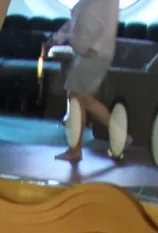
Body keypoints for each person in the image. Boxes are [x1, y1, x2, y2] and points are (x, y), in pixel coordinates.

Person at [54, 0, 121, 162]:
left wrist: (95, 48)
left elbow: (110, 26)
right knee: (81, 97)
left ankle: (75, 149)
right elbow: (74, 24)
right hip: (84, 54)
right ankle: (120, 134)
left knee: (76, 96)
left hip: (96, 55)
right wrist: (57, 38)